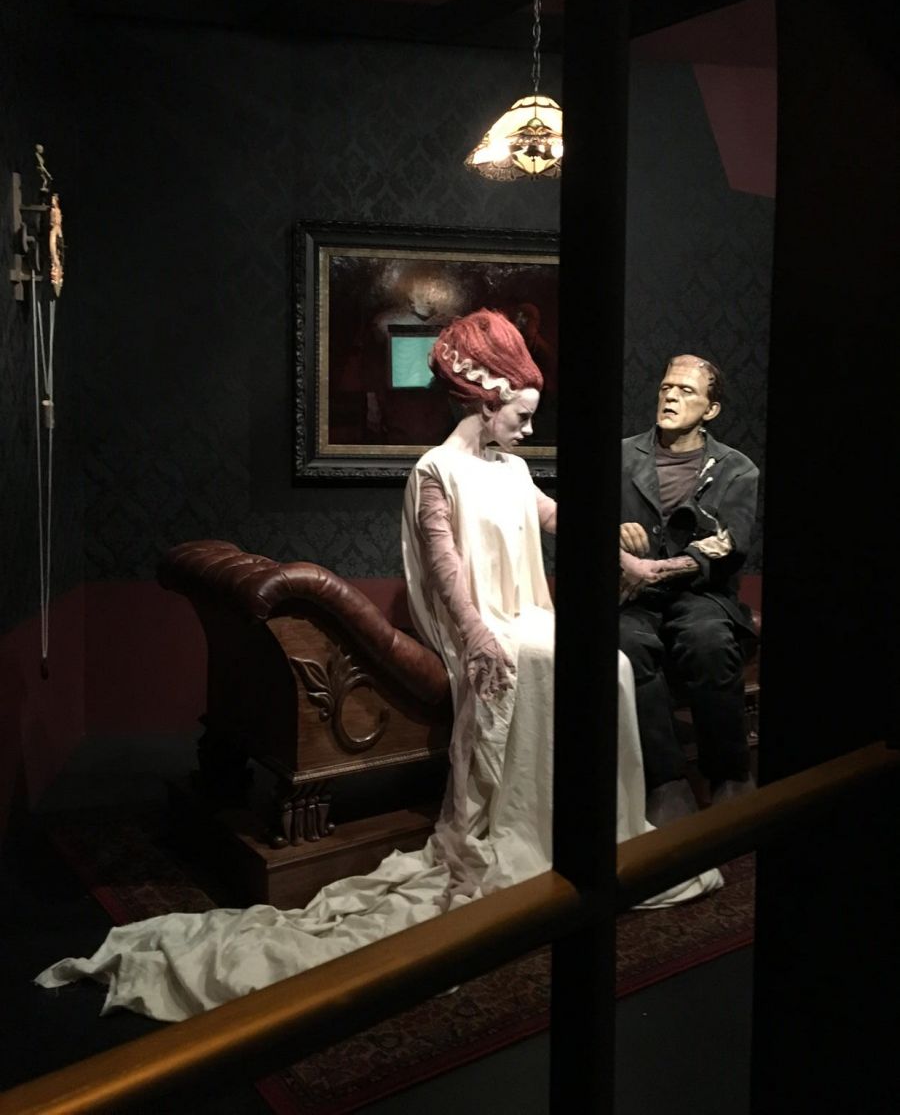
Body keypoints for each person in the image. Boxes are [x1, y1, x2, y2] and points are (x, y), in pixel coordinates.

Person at [35, 318, 718, 1024]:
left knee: (607, 661)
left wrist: (634, 564)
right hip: (479, 626)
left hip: (523, 618)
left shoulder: (513, 470)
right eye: (520, 416)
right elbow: (446, 569)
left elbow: (559, 521)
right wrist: (477, 634)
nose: (527, 430)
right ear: (485, 402)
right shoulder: (435, 472)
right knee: (564, 663)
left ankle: (597, 831)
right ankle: (538, 834)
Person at [619, 354, 759, 826]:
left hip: (702, 594)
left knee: (708, 641)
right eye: (666, 388)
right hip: (631, 597)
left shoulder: (736, 469)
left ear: (710, 409)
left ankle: (730, 774)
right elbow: (581, 522)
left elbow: (731, 543)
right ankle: (666, 781)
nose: (671, 397)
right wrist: (615, 536)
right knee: (626, 644)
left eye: (686, 391)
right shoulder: (620, 457)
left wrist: (659, 569)